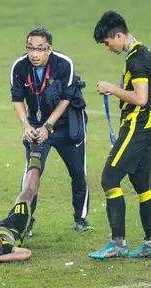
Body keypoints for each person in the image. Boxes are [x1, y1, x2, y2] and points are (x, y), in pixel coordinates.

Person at [88, 11, 151, 259]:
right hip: (144, 125)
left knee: (109, 178)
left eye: (108, 42)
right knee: (143, 185)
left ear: (118, 35)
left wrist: (112, 89)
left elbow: (141, 99)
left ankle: (118, 245)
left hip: (137, 125)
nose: (108, 47)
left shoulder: (137, 59)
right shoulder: (139, 53)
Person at [10, 27, 92, 235]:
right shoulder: (20, 67)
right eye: (30, 48)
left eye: (40, 49)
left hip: (67, 125)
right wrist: (26, 127)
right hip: (35, 126)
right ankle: (25, 222)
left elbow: (65, 99)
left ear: (50, 49)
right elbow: (17, 99)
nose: (34, 54)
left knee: (78, 173)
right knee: (32, 173)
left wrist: (49, 126)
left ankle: (80, 219)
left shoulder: (64, 64)